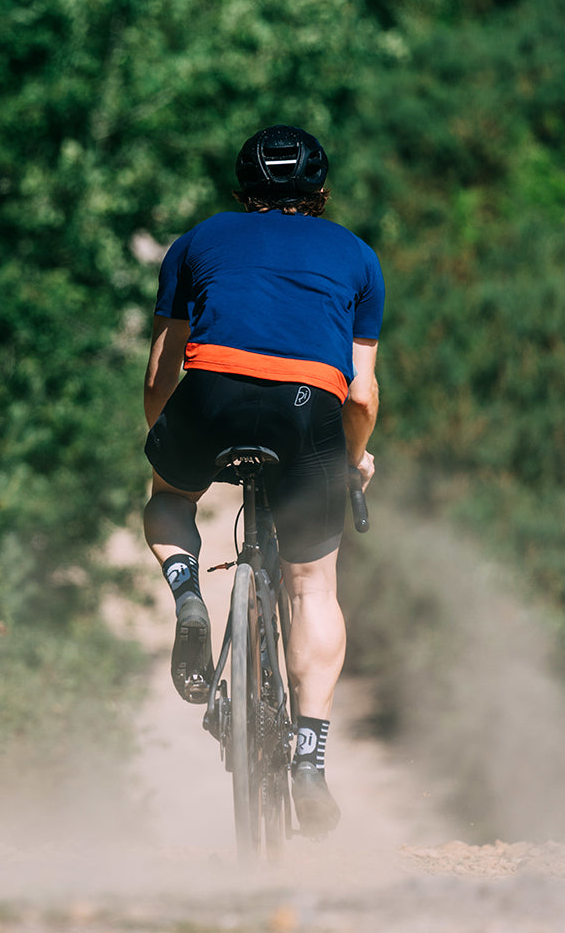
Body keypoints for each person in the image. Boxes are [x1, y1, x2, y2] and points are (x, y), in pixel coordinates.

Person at [142, 124, 384, 837]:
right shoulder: (356, 256)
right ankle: (309, 756)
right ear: (321, 189)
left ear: (242, 187)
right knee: (313, 585)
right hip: (310, 410)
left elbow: (163, 371)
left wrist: (165, 440)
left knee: (167, 501)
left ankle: (189, 595)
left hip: (208, 396)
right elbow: (363, 396)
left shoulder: (196, 242)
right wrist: (356, 456)